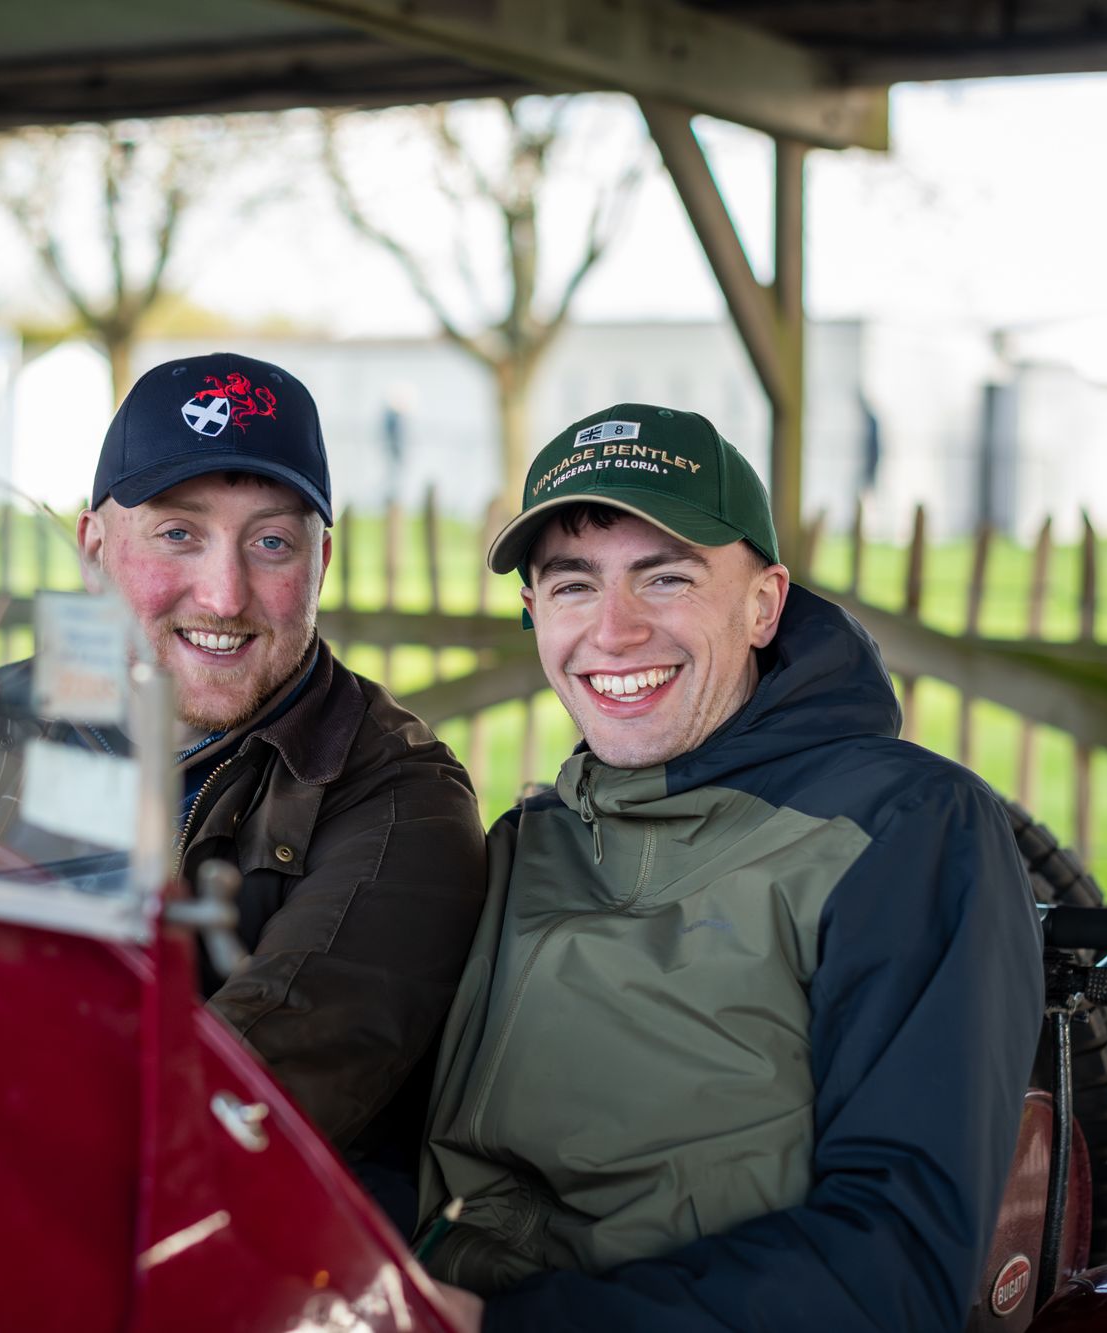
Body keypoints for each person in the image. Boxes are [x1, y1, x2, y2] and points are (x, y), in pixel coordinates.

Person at [416, 404, 1043, 1331]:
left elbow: (893, 1264)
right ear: (534, 614)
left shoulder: (903, 828)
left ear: (763, 605)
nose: (615, 631)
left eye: (666, 577)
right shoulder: (526, 843)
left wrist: (500, 1324)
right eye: (574, 585)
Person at [0, 353, 487, 1168]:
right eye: (178, 534)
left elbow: (233, 1096)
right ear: (93, 547)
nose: (223, 595)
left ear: (320, 564)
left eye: (272, 542)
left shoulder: (403, 801)